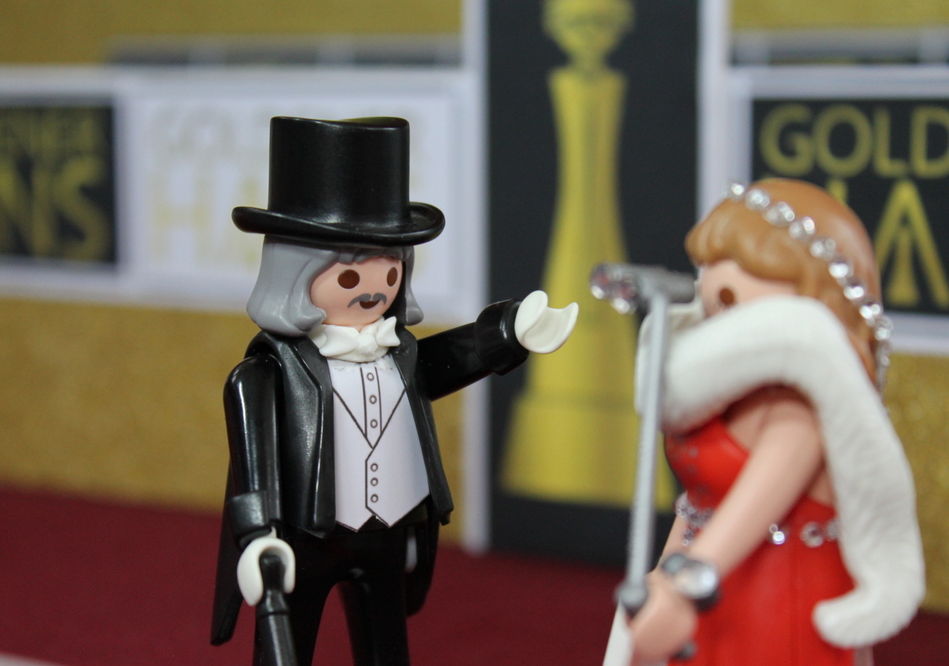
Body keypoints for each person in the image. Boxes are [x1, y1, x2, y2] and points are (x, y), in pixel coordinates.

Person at [209, 116, 578, 665]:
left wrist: (510, 330)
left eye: (390, 274)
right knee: (290, 648)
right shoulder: (264, 374)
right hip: (307, 536)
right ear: (295, 274)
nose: (374, 292)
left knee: (386, 647)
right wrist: (259, 535)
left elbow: (446, 362)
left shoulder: (400, 353)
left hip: (389, 532)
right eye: (350, 277)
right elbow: (253, 465)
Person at [628, 179, 924, 665]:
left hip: (776, 593)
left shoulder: (799, 413)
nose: (713, 294)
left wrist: (684, 588)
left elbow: (752, 505)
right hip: (715, 586)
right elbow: (698, 506)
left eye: (733, 288)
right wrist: (662, 576)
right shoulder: (720, 398)